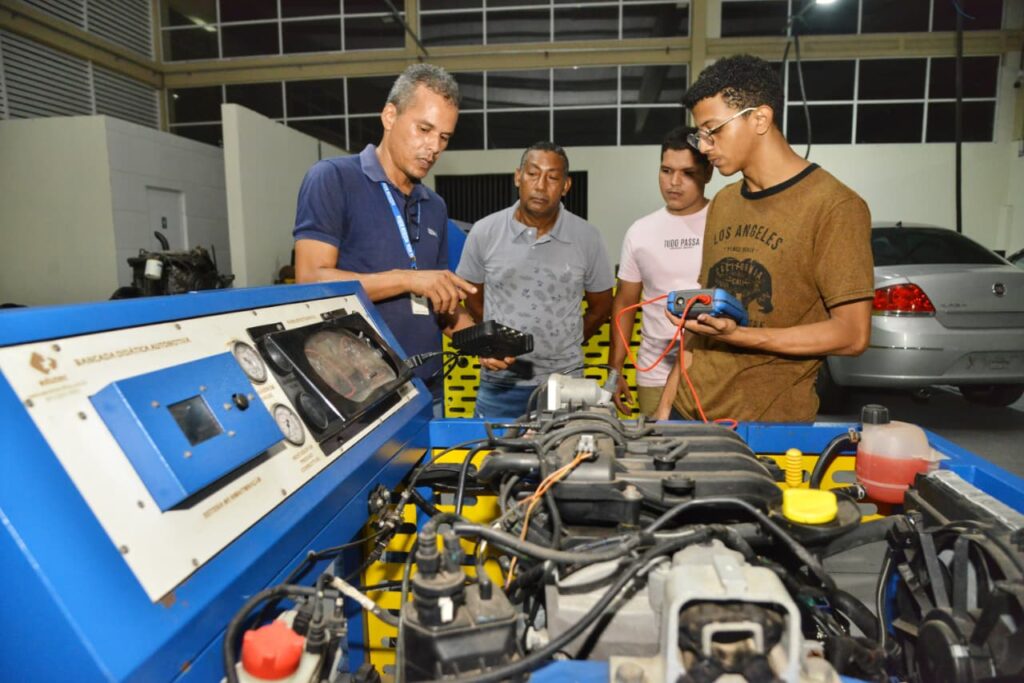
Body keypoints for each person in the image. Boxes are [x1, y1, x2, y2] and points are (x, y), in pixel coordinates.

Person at [657, 54, 873, 423]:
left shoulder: (834, 206)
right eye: (700, 134)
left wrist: (739, 336)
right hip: (687, 410)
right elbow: (700, 320)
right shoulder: (724, 202)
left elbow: (852, 334)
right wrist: (666, 406)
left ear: (760, 119)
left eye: (713, 130)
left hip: (764, 424)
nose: (704, 147)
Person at [292, 64, 477, 412]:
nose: (433, 147)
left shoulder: (434, 206)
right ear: (390, 116)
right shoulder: (333, 179)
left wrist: (481, 343)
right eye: (424, 129)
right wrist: (407, 278)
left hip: (428, 390)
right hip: (359, 398)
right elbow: (310, 279)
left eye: (444, 138)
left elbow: (438, 304)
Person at [456, 142, 615, 418]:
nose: (541, 186)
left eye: (552, 177)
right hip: (500, 384)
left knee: (567, 447)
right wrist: (499, 341)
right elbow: (472, 297)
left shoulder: (588, 238)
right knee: (492, 447)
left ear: (566, 186)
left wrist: (565, 344)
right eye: (532, 174)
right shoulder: (484, 232)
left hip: (565, 384)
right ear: (518, 177)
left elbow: (601, 308)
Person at [609, 126, 713, 418]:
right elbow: (625, 303)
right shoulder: (640, 232)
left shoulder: (723, 223)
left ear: (707, 173)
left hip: (711, 374)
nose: (674, 183)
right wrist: (614, 369)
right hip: (654, 376)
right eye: (666, 171)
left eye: (687, 173)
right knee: (657, 446)